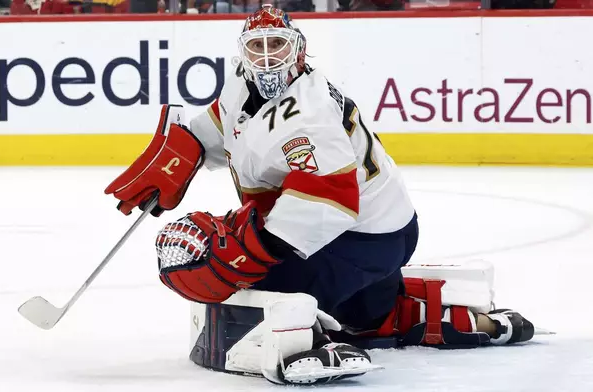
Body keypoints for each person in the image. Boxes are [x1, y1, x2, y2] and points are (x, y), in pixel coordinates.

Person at [104, 5, 536, 385]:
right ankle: (397, 314)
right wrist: (186, 150)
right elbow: (224, 123)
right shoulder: (240, 81)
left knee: (264, 284)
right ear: (243, 54)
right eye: (258, 46)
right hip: (375, 227)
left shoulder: (309, 114)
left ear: (300, 51)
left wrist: (253, 249)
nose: (269, 56)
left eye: (279, 44)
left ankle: (308, 339)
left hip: (364, 238)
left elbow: (328, 200)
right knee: (365, 316)